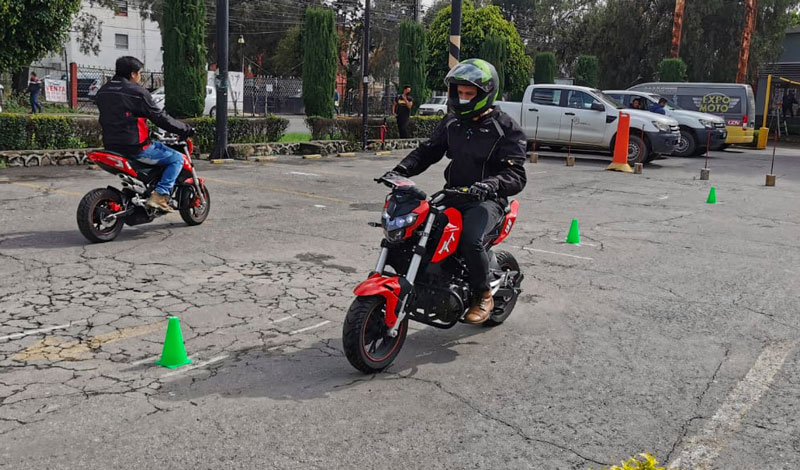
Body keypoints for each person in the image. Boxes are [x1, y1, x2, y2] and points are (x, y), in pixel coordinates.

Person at [385, 59, 527, 324]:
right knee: (416, 230)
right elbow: (428, 151)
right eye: (459, 93)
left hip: (487, 201)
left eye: (469, 94)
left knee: (470, 239)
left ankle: (483, 294)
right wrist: (400, 170)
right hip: (453, 195)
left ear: (485, 94)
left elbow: (516, 174)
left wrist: (491, 184)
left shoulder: (506, 128)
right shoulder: (452, 122)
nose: (462, 99)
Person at [95, 56, 194, 212]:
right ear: (133, 74)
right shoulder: (136, 92)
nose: (140, 77)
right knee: (176, 158)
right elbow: (160, 117)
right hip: (135, 147)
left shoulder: (103, 91)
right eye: (140, 73)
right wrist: (184, 129)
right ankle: (160, 196)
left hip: (111, 145)